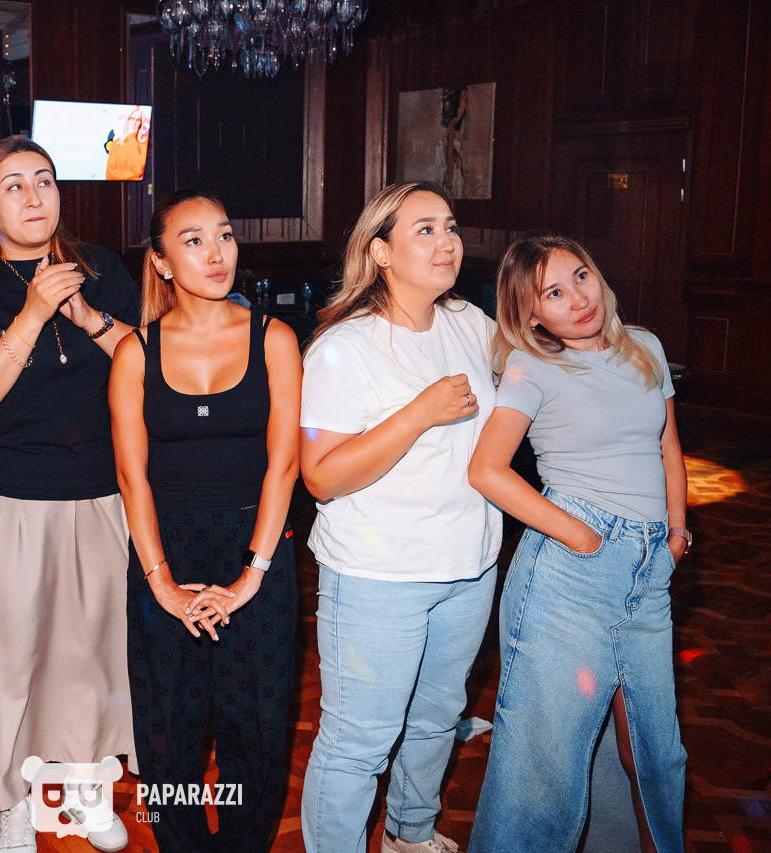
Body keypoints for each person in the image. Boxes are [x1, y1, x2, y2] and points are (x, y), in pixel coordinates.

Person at [0, 135, 140, 853]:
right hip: (3, 500)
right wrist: (31, 315)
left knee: (88, 657)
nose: (32, 196)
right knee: (10, 661)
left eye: (44, 180)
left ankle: (81, 792)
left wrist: (88, 318)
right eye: (13, 186)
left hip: (98, 494)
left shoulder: (102, 270)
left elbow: (150, 370)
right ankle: (14, 803)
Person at [466, 232, 688, 853]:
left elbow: (668, 447)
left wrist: (676, 532)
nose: (579, 299)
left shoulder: (645, 346)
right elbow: (486, 469)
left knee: (655, 751)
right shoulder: (531, 366)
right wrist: (582, 536)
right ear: (533, 315)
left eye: (580, 277)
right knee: (544, 762)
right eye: (554, 294)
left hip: (648, 569)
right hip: (570, 575)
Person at [298, 181, 501, 853]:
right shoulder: (344, 347)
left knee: (438, 718)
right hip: (377, 575)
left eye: (451, 227)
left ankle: (409, 834)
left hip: (469, 566)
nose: (447, 242)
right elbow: (321, 475)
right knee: (359, 741)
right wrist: (418, 413)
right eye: (425, 230)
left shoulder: (469, 323)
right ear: (380, 251)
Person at [108, 189, 301, 851]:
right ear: (161, 261)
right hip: (168, 547)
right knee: (169, 727)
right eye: (193, 241)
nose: (217, 253)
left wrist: (254, 573)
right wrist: (161, 583)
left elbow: (284, 466)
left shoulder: (275, 339)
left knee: (258, 724)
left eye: (224, 235)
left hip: (259, 544)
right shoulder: (136, 352)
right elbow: (131, 476)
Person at [105, 107, 149, 181]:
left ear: (141, 123)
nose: (134, 122)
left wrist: (131, 137)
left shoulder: (144, 141)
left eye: (138, 120)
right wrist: (134, 177)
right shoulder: (116, 143)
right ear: (127, 120)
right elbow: (109, 175)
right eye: (132, 118)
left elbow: (138, 171)